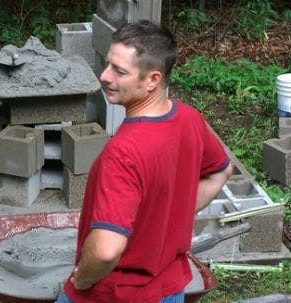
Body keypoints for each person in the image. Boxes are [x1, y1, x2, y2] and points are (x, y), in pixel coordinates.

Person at [58, 20, 233, 303]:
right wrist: (167, 219)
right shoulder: (189, 118)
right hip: (169, 287)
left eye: (119, 71)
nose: (105, 76)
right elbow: (221, 172)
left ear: (152, 79)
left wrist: (81, 280)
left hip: (116, 294)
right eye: (107, 64)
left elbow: (105, 250)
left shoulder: (122, 152)